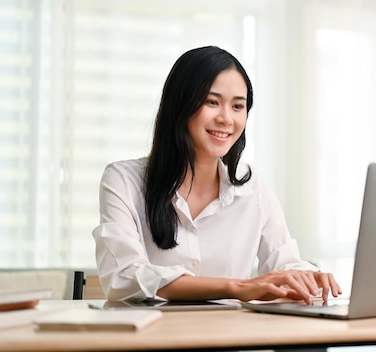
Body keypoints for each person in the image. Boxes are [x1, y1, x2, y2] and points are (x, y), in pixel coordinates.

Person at [92, 46, 341, 304]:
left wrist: (309, 277)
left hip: (231, 339)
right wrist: (237, 287)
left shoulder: (252, 186)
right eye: (212, 102)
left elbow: (286, 262)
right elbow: (125, 276)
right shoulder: (123, 180)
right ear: (180, 105)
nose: (226, 118)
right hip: (154, 339)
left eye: (237, 106)